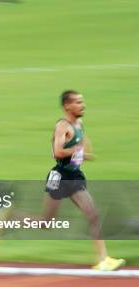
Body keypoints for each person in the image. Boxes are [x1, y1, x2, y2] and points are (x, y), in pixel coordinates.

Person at [42, 90, 124, 271]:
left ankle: (103, 259)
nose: (82, 105)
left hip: (74, 177)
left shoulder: (79, 123)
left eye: (82, 101)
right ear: (67, 106)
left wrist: (84, 154)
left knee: (93, 214)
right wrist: (77, 151)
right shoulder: (62, 126)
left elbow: (80, 142)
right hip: (60, 177)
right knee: (46, 222)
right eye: (78, 102)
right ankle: (9, 217)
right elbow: (57, 152)